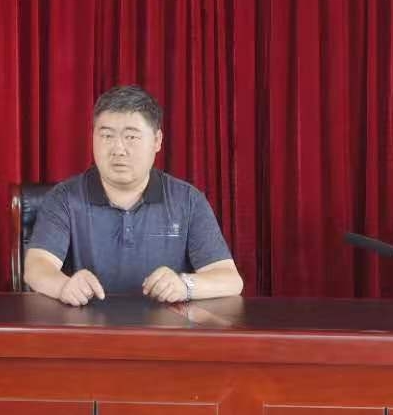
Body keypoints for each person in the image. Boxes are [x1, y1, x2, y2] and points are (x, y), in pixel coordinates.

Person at [23, 85, 242, 305]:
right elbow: (37, 266)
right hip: (86, 322)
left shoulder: (187, 200)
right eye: (107, 135)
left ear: (157, 141)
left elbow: (230, 279)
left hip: (166, 324)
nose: (118, 149)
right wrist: (63, 286)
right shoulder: (64, 197)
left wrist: (185, 285)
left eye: (131, 137)